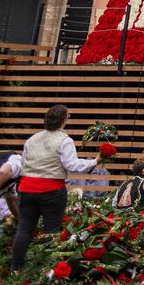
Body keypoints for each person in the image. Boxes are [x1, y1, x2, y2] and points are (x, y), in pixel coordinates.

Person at [10, 104, 96, 270]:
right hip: (51, 189)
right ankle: (48, 268)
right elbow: (71, 165)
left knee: (24, 228)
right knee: (52, 230)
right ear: (64, 121)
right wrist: (95, 161)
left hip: (26, 188)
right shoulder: (65, 140)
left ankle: (15, 266)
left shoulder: (32, 139)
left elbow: (23, 163)